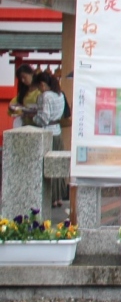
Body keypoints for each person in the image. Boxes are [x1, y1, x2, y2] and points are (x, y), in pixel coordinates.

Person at [30, 71, 67, 206]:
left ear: (42, 84)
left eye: (39, 87)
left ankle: (50, 197)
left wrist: (33, 117)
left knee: (47, 166)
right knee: (58, 166)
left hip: (47, 133)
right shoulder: (60, 94)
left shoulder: (45, 96)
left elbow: (44, 118)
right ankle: (59, 197)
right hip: (57, 132)